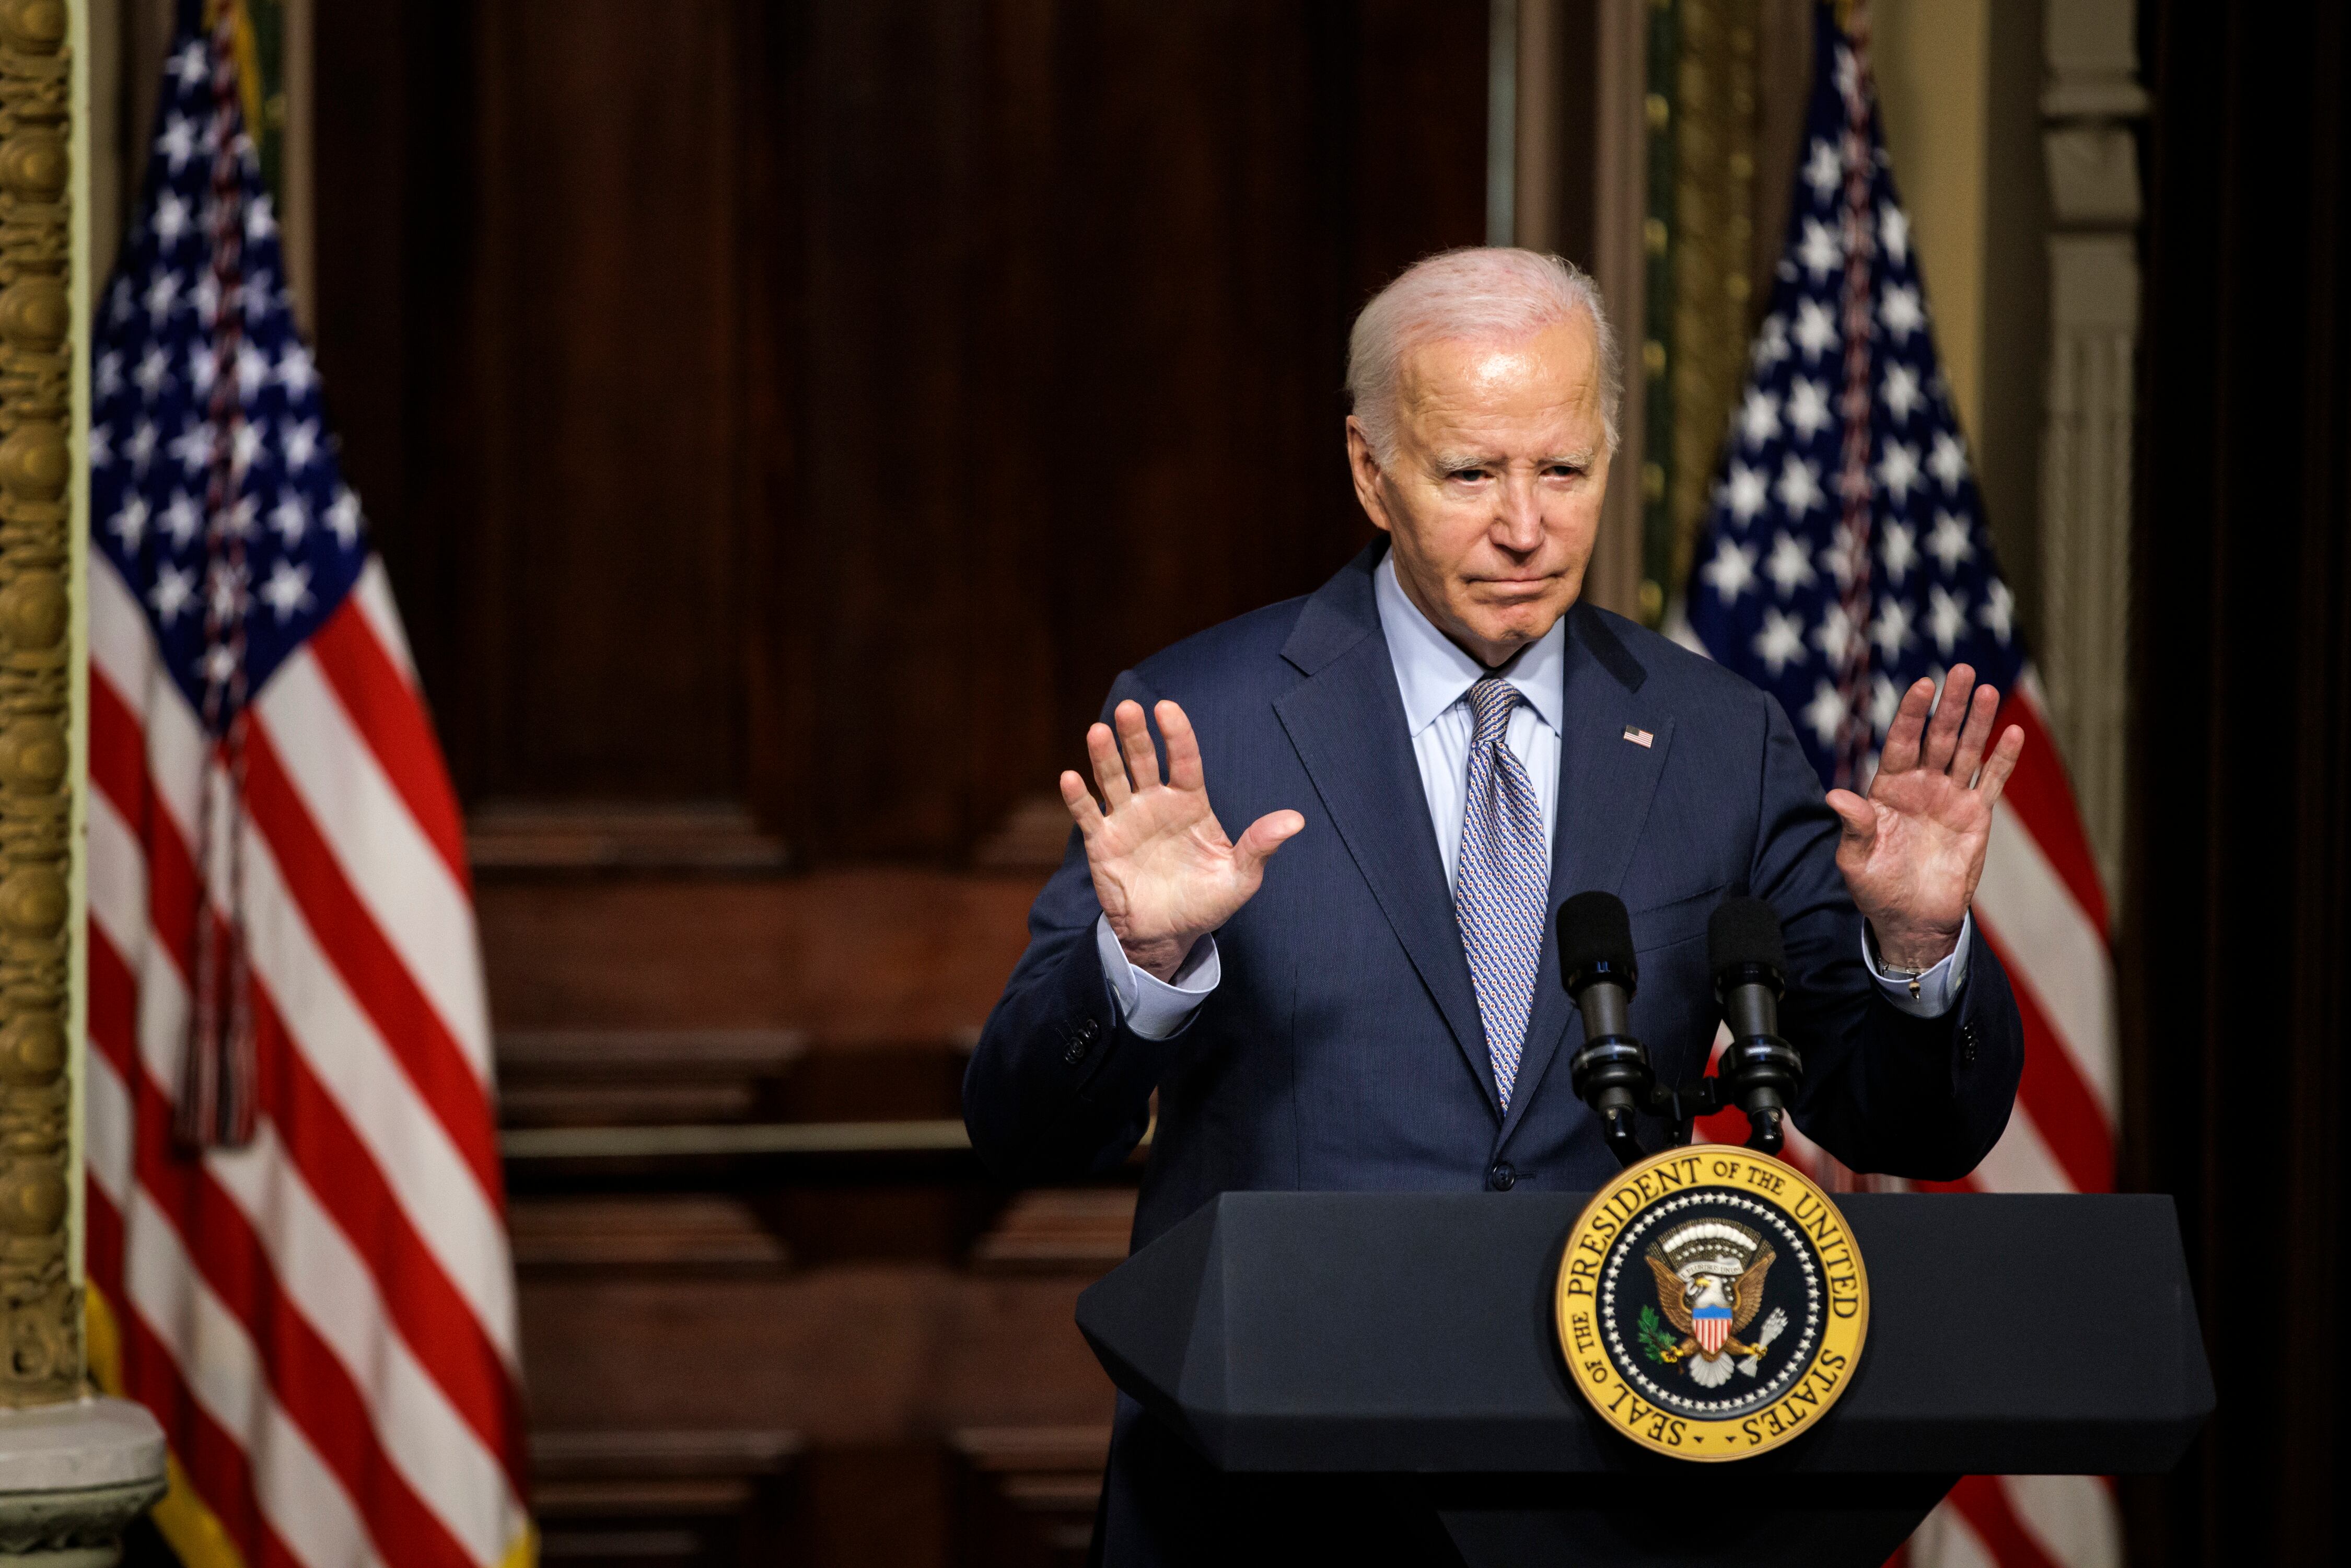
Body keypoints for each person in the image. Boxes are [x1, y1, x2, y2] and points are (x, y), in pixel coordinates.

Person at [962, 248, 2024, 1562]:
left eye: (1563, 471)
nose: (1525, 527)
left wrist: (1915, 950)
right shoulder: (1204, 726)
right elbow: (1019, 1124)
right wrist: (1142, 959)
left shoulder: (1718, 738)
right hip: (1275, 1507)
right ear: (1371, 470)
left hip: (1618, 1497)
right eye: (1472, 474)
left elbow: (1904, 1120)